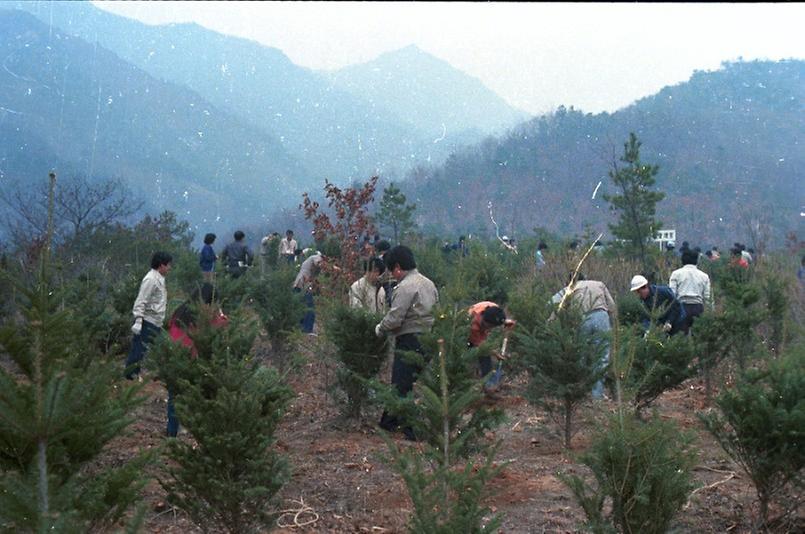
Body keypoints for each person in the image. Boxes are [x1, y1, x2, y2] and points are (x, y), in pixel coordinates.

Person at [374, 245, 439, 439]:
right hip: (428, 339)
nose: (392, 275)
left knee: (402, 385)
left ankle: (411, 430)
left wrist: (379, 328)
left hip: (410, 339)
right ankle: (388, 422)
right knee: (403, 383)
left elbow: (395, 318)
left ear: (398, 267)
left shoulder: (405, 287)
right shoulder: (429, 284)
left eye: (391, 270)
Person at [165, 283, 229, 437]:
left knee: (175, 395)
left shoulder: (180, 311)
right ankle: (191, 427)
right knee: (191, 393)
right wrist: (221, 318)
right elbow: (215, 328)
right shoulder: (200, 315)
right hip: (189, 358)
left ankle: (172, 431)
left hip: (172, 357)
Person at [551, 274, 617, 399]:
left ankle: (580, 392)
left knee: (581, 355)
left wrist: (552, 320)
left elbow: (552, 302)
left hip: (583, 319)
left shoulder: (571, 288)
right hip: (602, 316)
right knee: (602, 357)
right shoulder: (599, 283)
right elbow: (612, 306)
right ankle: (597, 395)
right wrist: (613, 324)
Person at [125, 251, 172, 380]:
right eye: (168, 265)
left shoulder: (159, 278)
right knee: (139, 349)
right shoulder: (150, 279)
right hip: (148, 320)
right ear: (161, 265)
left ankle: (138, 373)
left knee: (146, 349)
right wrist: (139, 320)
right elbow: (141, 300)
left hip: (156, 321)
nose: (169, 268)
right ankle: (130, 375)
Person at [467, 301, 515, 393]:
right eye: (488, 326)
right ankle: (480, 383)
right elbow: (481, 345)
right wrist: (495, 353)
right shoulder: (473, 325)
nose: (489, 329)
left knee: (486, 353)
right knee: (482, 354)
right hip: (465, 334)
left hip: (482, 321)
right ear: (484, 321)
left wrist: (505, 322)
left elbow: (498, 318)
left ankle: (489, 382)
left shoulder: (494, 310)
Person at [669, 249, 713, 334]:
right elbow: (708, 297)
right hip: (698, 308)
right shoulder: (704, 276)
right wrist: (710, 314)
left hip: (681, 308)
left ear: (682, 260)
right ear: (696, 261)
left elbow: (672, 294)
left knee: (680, 338)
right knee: (698, 337)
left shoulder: (676, 274)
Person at [292, 250, 324, 333]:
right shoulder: (315, 257)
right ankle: (307, 329)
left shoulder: (308, 263)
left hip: (298, 284)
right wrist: (332, 268)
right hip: (304, 284)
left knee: (300, 306)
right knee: (310, 307)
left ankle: (299, 327)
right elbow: (318, 263)